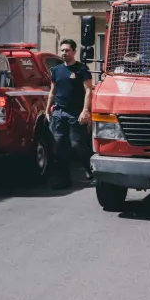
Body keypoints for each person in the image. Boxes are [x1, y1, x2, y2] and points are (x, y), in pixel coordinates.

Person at [45, 39, 94, 189]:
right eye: (62, 50)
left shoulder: (82, 69)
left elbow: (88, 90)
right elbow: (52, 92)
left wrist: (85, 110)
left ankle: (89, 167)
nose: (64, 53)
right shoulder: (56, 70)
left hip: (75, 113)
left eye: (67, 50)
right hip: (59, 112)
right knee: (60, 146)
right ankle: (64, 180)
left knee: (77, 144)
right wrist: (47, 110)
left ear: (73, 51)